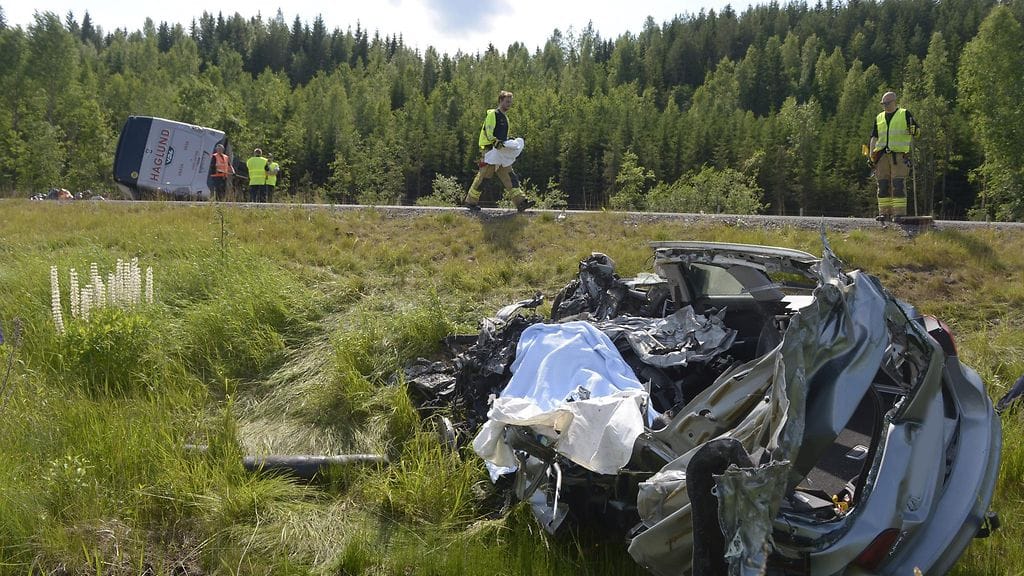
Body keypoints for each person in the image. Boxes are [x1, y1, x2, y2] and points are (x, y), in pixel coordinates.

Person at [463, 90, 535, 212]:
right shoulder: (493, 115)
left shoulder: (505, 118)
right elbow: (489, 131)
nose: (509, 104)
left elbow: (502, 135)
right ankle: (471, 202)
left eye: (510, 102)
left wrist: (508, 143)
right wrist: (495, 142)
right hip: (490, 151)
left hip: (500, 151)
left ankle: (521, 202)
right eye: (507, 102)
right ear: (500, 101)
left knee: (510, 176)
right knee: (484, 177)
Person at [869, 91, 920, 221]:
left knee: (898, 184)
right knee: (883, 184)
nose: (884, 106)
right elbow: (874, 137)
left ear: (894, 102)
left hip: (899, 156)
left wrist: (915, 131)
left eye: (886, 103)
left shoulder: (904, 114)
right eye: (883, 104)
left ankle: (899, 214)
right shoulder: (879, 117)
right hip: (881, 156)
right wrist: (871, 156)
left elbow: (917, 132)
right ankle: (884, 213)